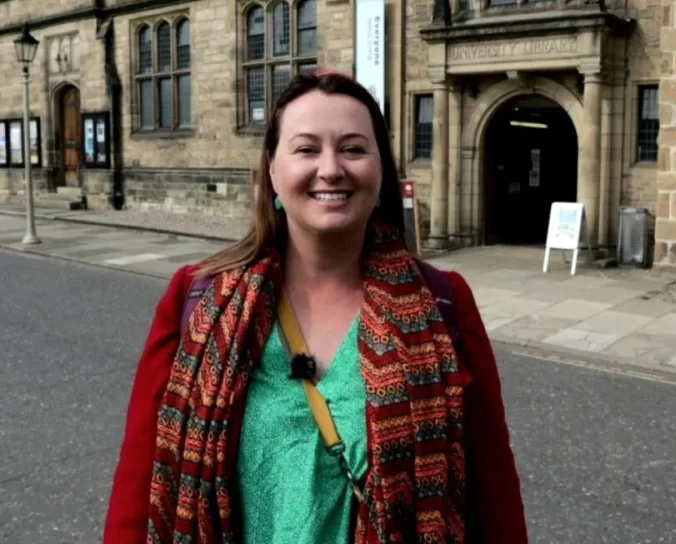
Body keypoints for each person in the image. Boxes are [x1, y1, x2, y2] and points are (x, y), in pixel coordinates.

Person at [103, 72, 527, 543]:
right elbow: (138, 490)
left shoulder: (444, 302)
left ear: (380, 169)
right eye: (306, 149)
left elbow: (496, 500)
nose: (331, 169)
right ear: (272, 170)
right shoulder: (197, 299)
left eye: (353, 148)